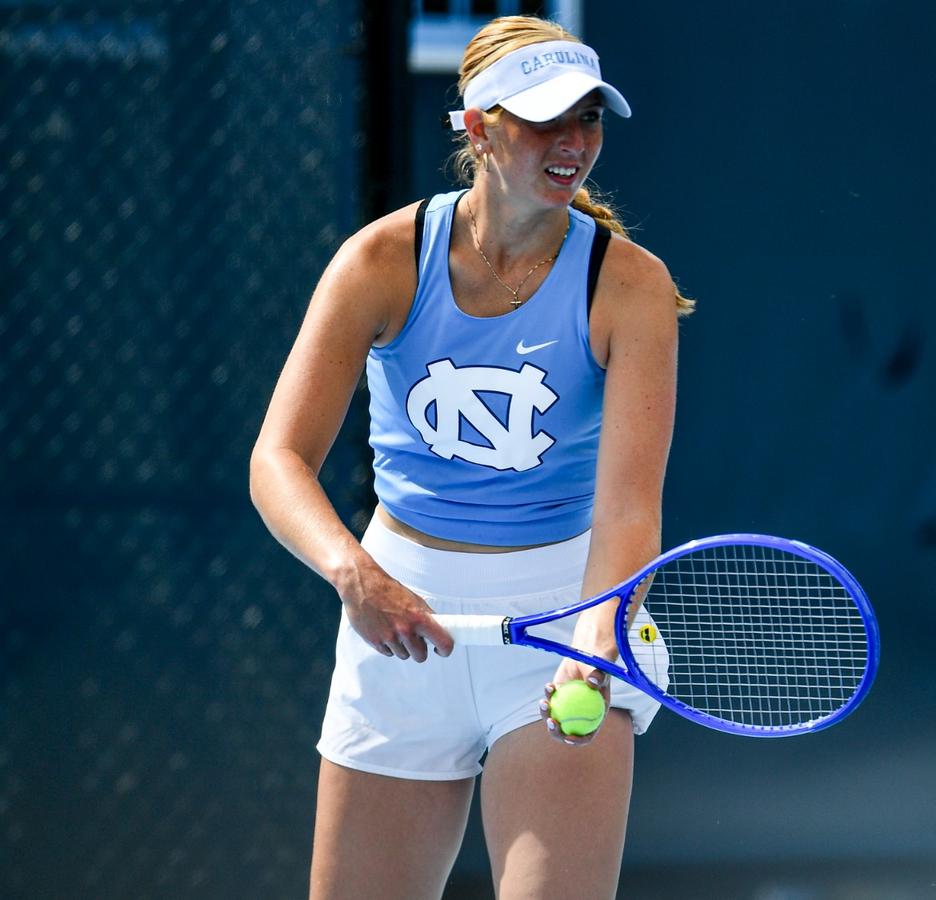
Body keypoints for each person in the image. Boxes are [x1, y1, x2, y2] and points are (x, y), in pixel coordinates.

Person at [250, 15, 690, 899]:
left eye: (589, 118)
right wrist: (355, 575)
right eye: (543, 121)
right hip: (397, 616)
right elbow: (279, 457)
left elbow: (629, 508)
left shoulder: (631, 285)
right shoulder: (378, 261)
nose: (573, 144)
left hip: (566, 617)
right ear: (478, 124)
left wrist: (598, 634)